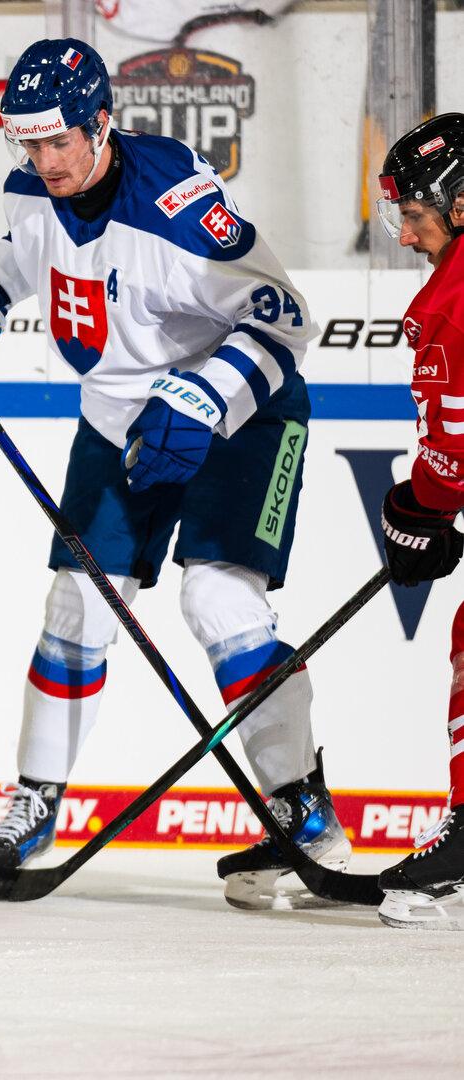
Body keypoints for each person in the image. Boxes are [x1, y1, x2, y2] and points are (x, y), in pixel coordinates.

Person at [0, 38, 340, 907]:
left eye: (59, 141)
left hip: (236, 415)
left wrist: (205, 397)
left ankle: (300, 807)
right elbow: (21, 255)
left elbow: (284, 319)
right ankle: (34, 798)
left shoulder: (173, 205)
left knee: (216, 600)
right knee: (74, 606)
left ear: (102, 123)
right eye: (27, 145)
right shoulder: (33, 186)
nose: (44, 161)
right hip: (116, 422)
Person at [366, 113, 464, 931]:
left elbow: (453, 451)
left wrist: (414, 511)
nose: (404, 235)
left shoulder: (449, 305)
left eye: (415, 215)